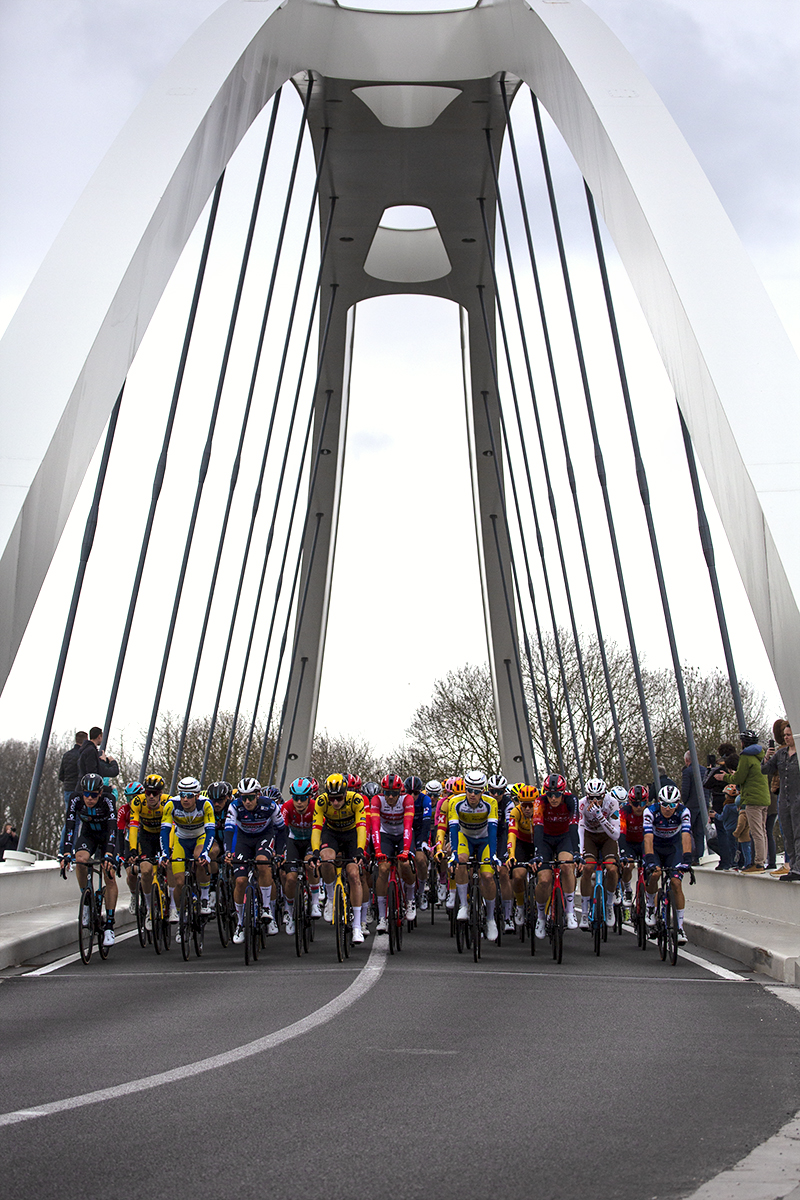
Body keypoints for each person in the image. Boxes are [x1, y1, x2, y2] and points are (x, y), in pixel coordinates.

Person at [60, 772, 119, 946]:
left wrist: (109, 853)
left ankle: (109, 925)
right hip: (89, 835)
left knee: (109, 873)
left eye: (94, 795)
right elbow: (70, 825)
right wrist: (66, 852)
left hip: (107, 836)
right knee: (80, 859)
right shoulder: (75, 799)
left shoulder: (108, 801)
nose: (89, 798)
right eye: (86, 794)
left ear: (100, 793)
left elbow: (113, 828)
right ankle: (87, 901)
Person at [225, 778, 287, 942]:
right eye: (243, 797)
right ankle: (240, 924)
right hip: (243, 841)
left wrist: (279, 853)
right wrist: (228, 852)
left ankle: (267, 909)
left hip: (263, 837)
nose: (247, 801)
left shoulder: (270, 806)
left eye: (251, 797)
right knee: (240, 881)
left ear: (258, 795)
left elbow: (282, 830)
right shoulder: (235, 806)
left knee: (262, 863)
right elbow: (229, 829)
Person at [310, 772, 367, 944]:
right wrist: (315, 851)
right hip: (332, 833)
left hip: (351, 835)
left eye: (339, 798)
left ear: (345, 793)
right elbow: (317, 828)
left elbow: (361, 827)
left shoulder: (356, 800)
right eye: (332, 798)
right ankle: (330, 898)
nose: (335, 802)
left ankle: (357, 926)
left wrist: (359, 850)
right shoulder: (321, 801)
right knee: (326, 860)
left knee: (354, 874)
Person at [448, 768, 500, 942]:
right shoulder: (455, 802)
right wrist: (454, 853)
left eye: (476, 791)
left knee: (487, 875)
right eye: (469, 790)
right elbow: (453, 830)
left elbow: (493, 831)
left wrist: (493, 855)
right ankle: (463, 905)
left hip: (485, 839)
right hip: (465, 837)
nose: (472, 794)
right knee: (461, 861)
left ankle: (491, 918)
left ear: (482, 792)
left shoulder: (491, 803)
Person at [160, 777, 216, 931]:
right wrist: (165, 853)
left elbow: (211, 830)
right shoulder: (171, 804)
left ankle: (204, 897)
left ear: (197, 796)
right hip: (181, 840)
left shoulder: (206, 804)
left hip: (200, 837)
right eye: (182, 795)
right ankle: (179, 913)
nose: (185, 799)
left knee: (199, 859)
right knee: (179, 882)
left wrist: (206, 852)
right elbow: (164, 830)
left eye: (189, 795)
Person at [643, 784, 692, 944]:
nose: (668, 808)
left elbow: (686, 836)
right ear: (659, 802)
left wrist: (687, 859)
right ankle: (651, 906)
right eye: (664, 804)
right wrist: (650, 860)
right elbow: (648, 838)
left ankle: (679, 927)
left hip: (673, 848)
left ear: (678, 803)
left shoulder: (683, 812)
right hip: (655, 848)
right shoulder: (650, 812)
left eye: (672, 804)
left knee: (676, 883)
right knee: (655, 874)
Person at [714, 730, 770, 872]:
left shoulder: (746, 757)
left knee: (756, 831)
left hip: (752, 798)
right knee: (762, 831)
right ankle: (763, 859)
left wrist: (725, 778)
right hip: (764, 797)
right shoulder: (760, 755)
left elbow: (739, 778)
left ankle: (758, 863)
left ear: (743, 743)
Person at [371, 773, 415, 933]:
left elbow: (408, 826)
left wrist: (405, 851)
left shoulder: (407, 800)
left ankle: (410, 900)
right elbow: (375, 827)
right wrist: (377, 851)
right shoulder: (377, 800)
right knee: (383, 869)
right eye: (387, 793)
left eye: (394, 793)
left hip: (404, 834)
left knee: (405, 865)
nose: (390, 797)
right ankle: (382, 917)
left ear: (400, 792)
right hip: (385, 835)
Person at [577, 778, 620, 930]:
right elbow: (581, 828)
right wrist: (582, 852)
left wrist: (600, 816)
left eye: (599, 797)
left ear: (604, 795)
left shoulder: (612, 803)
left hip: (607, 836)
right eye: (591, 797)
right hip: (590, 837)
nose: (595, 801)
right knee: (588, 868)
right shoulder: (582, 804)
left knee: (612, 869)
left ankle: (609, 905)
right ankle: (584, 912)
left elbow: (615, 835)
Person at [763, 721, 800, 881]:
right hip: (784, 799)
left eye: (789, 735)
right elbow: (765, 769)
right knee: (788, 833)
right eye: (784, 735)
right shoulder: (781, 754)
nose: (786, 738)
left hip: (798, 798)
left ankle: (798, 867)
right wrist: (766, 757)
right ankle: (793, 865)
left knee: (798, 832)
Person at [680, 751, 705, 863]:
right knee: (699, 832)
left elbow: (685, 790)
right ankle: (699, 856)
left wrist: (685, 802)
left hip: (691, 805)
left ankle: (690, 854)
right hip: (702, 805)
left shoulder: (687, 772)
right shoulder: (704, 770)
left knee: (687, 830)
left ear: (686, 760)